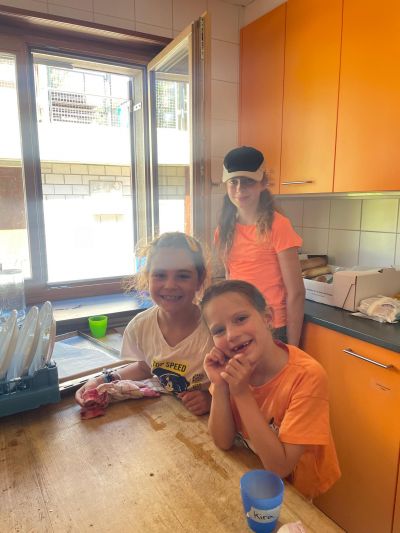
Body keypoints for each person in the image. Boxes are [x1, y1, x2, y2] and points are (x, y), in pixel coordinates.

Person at [201, 280, 340, 499]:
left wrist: (241, 393)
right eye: (219, 330)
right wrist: (220, 385)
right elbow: (222, 441)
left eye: (240, 319)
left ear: (267, 317)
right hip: (254, 471)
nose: (231, 335)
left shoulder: (307, 376)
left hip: (295, 489)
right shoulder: (230, 369)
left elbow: (280, 468)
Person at [76, 232, 213, 416]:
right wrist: (101, 380)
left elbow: (241, 380)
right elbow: (144, 367)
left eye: (183, 276)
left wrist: (212, 398)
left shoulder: (216, 328)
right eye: (160, 275)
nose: (170, 285)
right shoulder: (140, 327)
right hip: (173, 419)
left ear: (200, 280)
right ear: (147, 277)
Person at [215, 146, 305, 345]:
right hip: (239, 325)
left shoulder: (278, 226)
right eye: (233, 182)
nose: (240, 189)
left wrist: (292, 348)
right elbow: (231, 278)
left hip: (272, 327)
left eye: (248, 181)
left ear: (263, 183)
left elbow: (296, 292)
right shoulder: (224, 229)